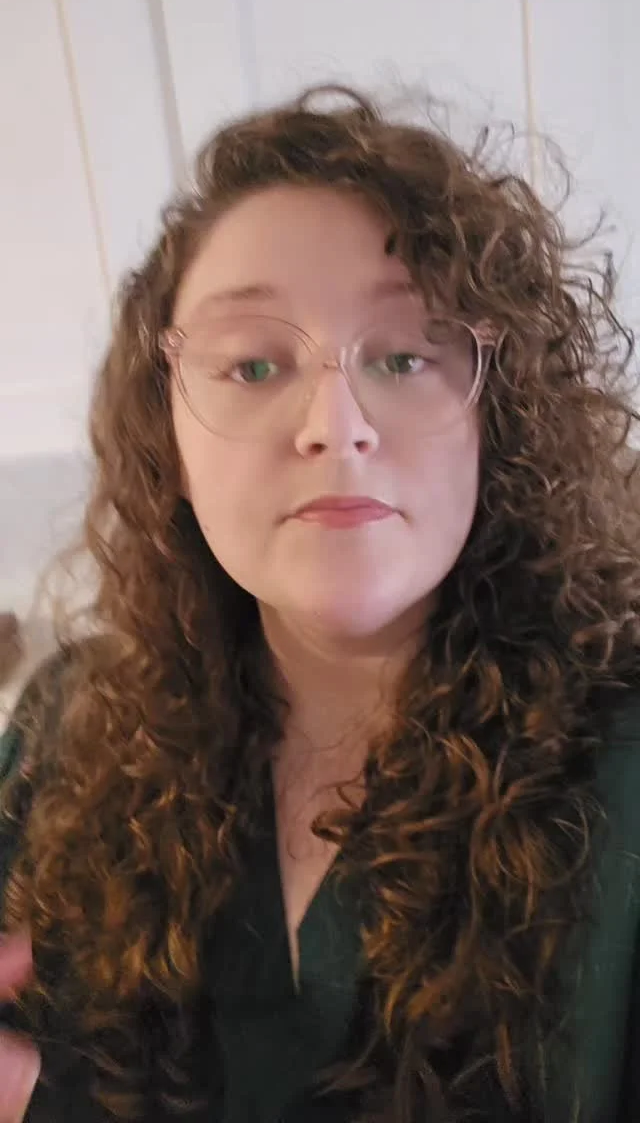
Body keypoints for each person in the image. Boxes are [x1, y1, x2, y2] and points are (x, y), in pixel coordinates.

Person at [0, 83, 639, 1123]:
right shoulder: (62, 731)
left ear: (501, 416)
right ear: (168, 432)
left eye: (404, 355)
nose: (335, 424)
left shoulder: (625, 763)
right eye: (253, 363)